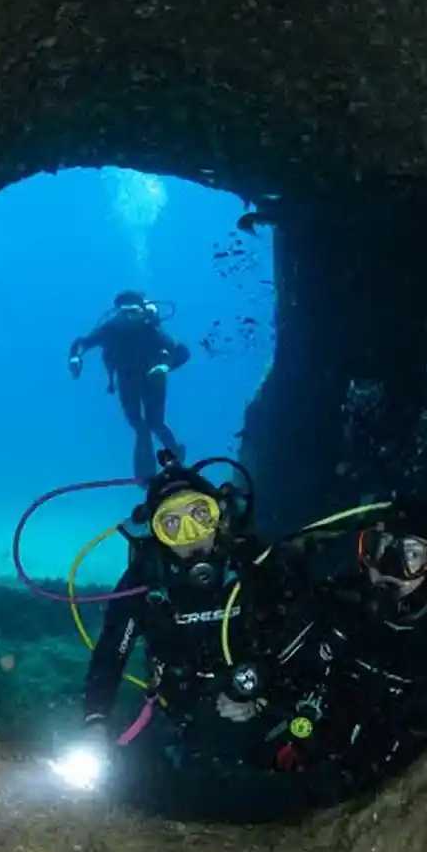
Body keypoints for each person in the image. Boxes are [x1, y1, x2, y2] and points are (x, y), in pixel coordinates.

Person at [249, 499, 427, 800]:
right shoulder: (338, 607)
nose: (389, 567)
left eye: (411, 554)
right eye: (377, 547)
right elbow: (276, 669)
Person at [72, 455, 298, 782]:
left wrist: (263, 692)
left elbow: (302, 632)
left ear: (220, 516)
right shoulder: (145, 581)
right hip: (178, 717)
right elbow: (110, 654)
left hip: (262, 706)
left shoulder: (256, 564)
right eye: (172, 524)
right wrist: (95, 723)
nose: (191, 535)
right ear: (155, 533)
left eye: (200, 515)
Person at [68, 291, 192, 481]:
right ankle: (147, 475)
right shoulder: (111, 329)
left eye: (133, 312)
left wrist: (165, 366)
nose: (128, 318)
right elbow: (83, 342)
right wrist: (76, 357)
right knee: (139, 426)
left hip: (153, 379)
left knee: (155, 423)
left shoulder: (153, 331)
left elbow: (182, 352)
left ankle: (175, 456)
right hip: (127, 380)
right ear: (117, 313)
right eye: (123, 313)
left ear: (143, 311)